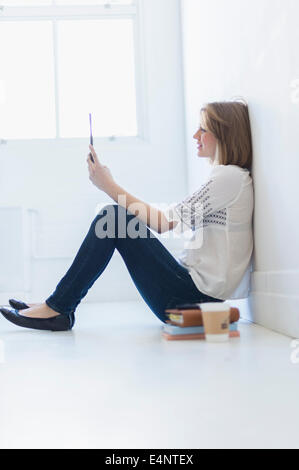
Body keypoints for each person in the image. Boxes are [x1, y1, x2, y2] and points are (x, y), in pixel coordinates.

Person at [0, 100, 254, 332]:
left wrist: (108, 185)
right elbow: (169, 221)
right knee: (115, 218)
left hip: (192, 298)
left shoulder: (229, 177)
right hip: (189, 293)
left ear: (224, 133)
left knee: (113, 218)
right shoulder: (228, 178)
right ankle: (56, 304)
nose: (195, 135)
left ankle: (58, 307)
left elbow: (164, 223)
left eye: (203, 129)